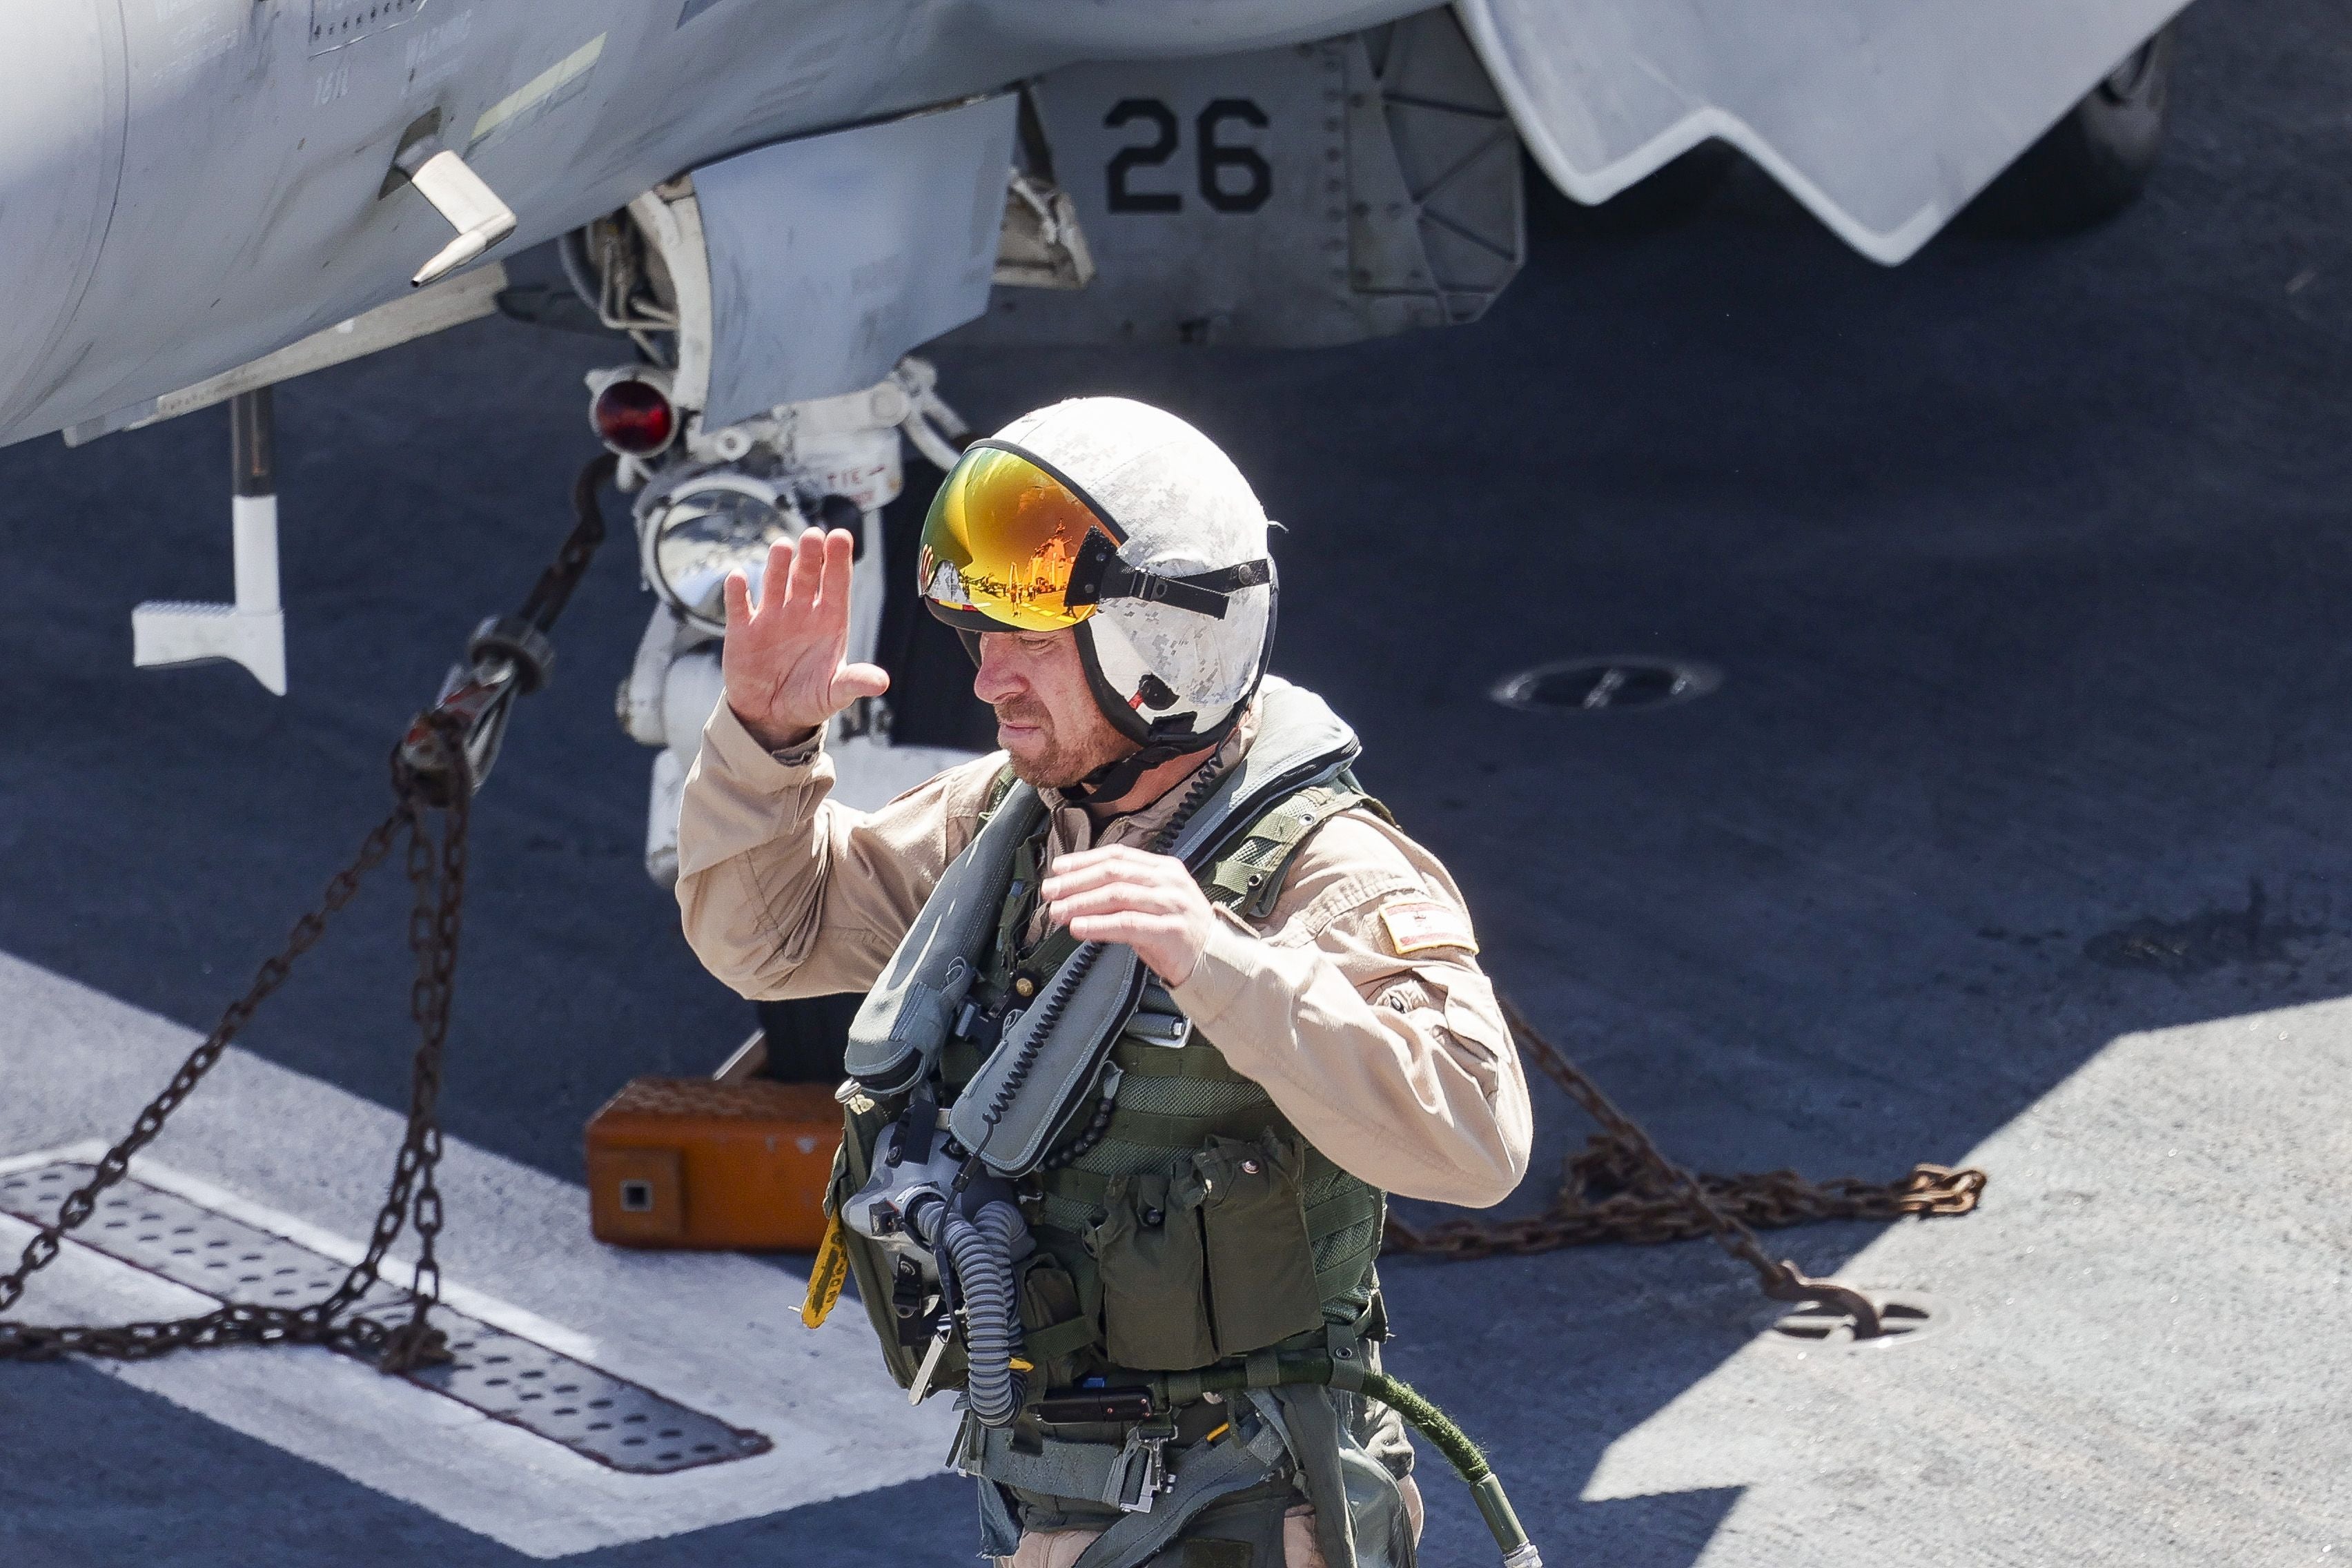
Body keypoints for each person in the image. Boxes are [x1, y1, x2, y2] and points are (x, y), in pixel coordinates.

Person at [674, 397, 1532, 1568]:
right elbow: (771, 940)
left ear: (1166, 645)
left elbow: (1476, 1143)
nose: (988, 683)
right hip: (1047, 1499)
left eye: (1030, 641)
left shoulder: (1325, 870)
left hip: (1249, 1510)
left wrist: (1221, 962)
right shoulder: (1013, 826)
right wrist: (765, 745)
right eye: (981, 640)